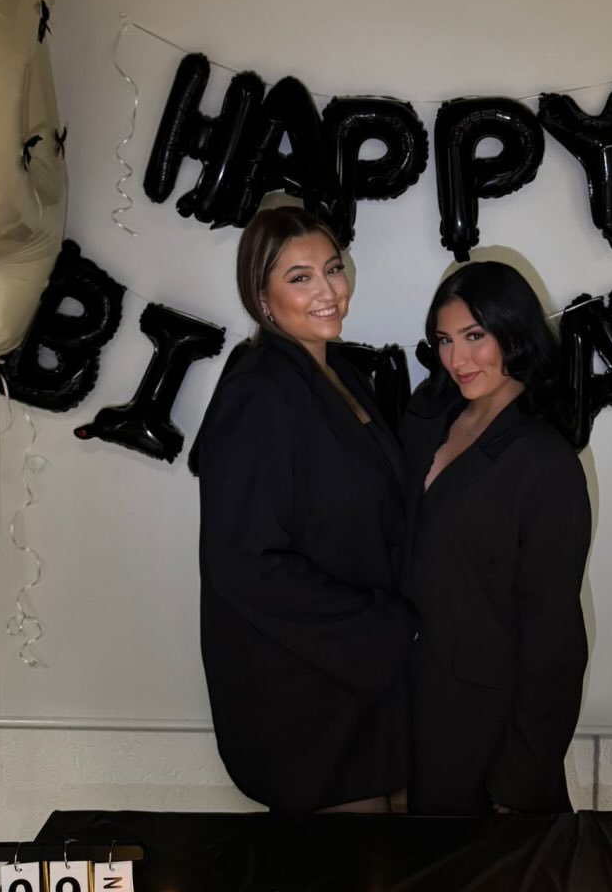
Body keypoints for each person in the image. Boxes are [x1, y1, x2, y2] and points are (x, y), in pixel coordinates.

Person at [193, 206, 414, 813]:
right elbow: (243, 564)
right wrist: (385, 625)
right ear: (262, 298)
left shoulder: (340, 372)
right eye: (300, 278)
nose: (328, 291)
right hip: (304, 689)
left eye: (333, 269)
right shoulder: (257, 391)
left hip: (369, 676)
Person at [401, 261, 592, 815]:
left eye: (474, 336)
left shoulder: (544, 461)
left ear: (514, 332)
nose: (457, 359)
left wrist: (519, 780)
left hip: (491, 733)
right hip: (415, 711)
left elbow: (554, 638)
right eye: (444, 340)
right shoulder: (428, 419)